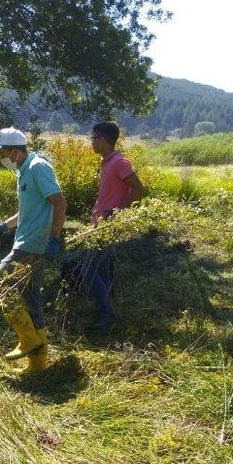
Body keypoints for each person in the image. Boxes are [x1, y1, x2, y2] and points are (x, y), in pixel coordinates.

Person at [0, 127, 66, 371]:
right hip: (26, 241)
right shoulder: (23, 171)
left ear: (14, 151)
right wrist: (4, 225)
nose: (0, 157)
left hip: (32, 245)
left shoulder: (37, 167)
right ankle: (38, 364)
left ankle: (28, 340)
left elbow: (59, 202)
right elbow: (27, 211)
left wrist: (54, 238)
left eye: (1, 152)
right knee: (31, 299)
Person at [84, 121, 145, 330]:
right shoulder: (107, 162)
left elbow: (138, 189)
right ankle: (105, 310)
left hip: (107, 225)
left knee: (89, 269)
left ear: (103, 139)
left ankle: (106, 314)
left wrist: (118, 212)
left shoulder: (119, 162)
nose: (91, 142)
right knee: (101, 268)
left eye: (93, 138)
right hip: (99, 223)